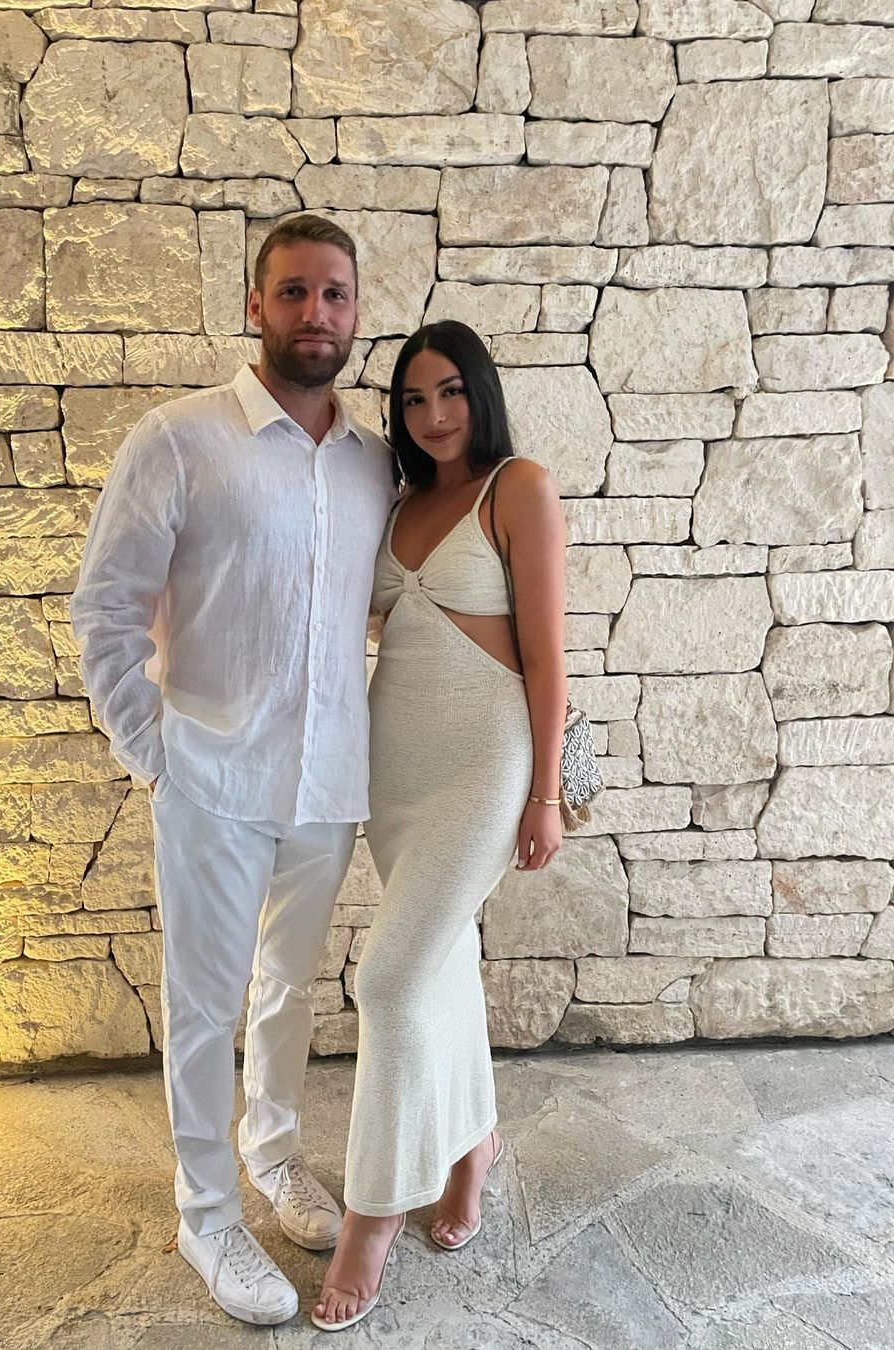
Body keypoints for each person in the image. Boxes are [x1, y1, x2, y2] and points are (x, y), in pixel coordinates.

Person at [70, 215, 396, 1327]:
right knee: (206, 1003)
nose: (316, 313)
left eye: (334, 294)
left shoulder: (374, 466)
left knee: (288, 988)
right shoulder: (178, 441)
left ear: (357, 313)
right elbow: (105, 610)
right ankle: (206, 1212)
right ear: (255, 306)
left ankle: (273, 1153)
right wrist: (156, 754)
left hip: (328, 781)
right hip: (211, 777)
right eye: (293, 291)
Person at [312, 320, 568, 1332]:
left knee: (388, 979)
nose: (433, 415)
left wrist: (544, 792)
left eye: (451, 391)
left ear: (481, 392)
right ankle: (473, 1149)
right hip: (397, 766)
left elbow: (547, 656)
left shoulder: (518, 487)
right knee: (441, 964)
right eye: (414, 400)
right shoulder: (401, 499)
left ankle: (371, 1217)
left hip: (484, 762)